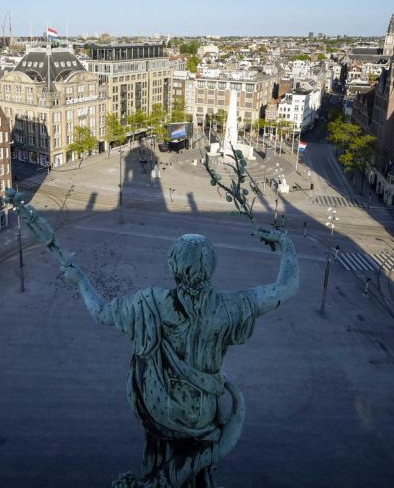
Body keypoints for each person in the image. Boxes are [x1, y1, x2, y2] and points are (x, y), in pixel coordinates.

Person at [15, 195, 300, 486]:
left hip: (160, 412)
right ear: (212, 265)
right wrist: (286, 246)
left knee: (159, 464)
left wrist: (81, 282)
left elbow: (101, 313)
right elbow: (287, 287)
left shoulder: (151, 302)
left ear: (172, 265)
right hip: (202, 415)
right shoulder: (231, 307)